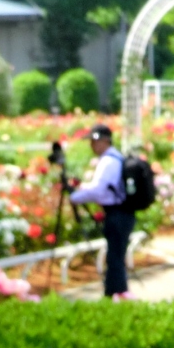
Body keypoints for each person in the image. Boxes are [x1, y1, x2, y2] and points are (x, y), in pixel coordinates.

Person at [70, 123, 133, 299]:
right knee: (116, 255)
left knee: (114, 257)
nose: (92, 145)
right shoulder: (115, 158)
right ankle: (117, 293)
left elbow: (99, 190)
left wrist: (75, 197)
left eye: (95, 141)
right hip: (121, 212)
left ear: (105, 141)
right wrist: (83, 187)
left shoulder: (108, 161)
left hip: (117, 212)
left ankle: (115, 294)